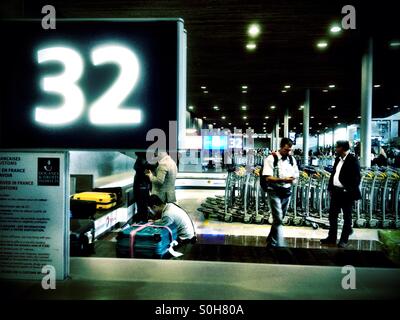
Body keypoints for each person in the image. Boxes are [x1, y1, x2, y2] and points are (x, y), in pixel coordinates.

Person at [322, 140, 361, 248]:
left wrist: (348, 190)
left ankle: (344, 240)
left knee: (347, 217)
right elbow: (334, 174)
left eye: (337, 147)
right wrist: (330, 188)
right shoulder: (337, 159)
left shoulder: (352, 160)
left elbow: (357, 178)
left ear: (342, 148)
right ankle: (331, 237)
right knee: (332, 215)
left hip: (346, 193)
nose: (335, 149)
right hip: (336, 192)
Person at [262, 138, 299, 248]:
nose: (288, 152)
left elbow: (296, 174)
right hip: (274, 191)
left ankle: (270, 238)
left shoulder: (292, 159)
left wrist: (292, 179)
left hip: (287, 191)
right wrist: (283, 180)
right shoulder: (271, 158)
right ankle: (275, 243)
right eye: (286, 150)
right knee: (277, 218)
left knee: (280, 217)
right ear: (281, 147)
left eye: (290, 150)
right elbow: (268, 177)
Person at [132, 152, 155, 222]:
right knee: (143, 207)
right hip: (142, 186)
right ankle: (142, 222)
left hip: (141, 186)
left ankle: (142, 222)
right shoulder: (143, 160)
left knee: (142, 207)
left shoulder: (142, 160)